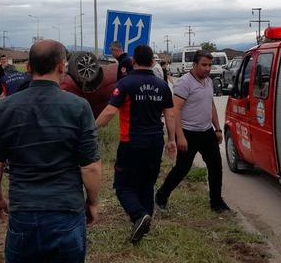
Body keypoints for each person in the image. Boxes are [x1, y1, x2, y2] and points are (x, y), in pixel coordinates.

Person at [0, 40, 102, 263]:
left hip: (23, 213)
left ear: (28, 67)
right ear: (61, 67)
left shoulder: (5, 107)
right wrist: (93, 202)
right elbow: (90, 167)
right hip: (66, 212)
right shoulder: (78, 107)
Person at [95, 45, 177, 244]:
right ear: (152, 62)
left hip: (131, 142)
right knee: (147, 182)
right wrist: (172, 140)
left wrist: (90, 129)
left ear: (133, 62)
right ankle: (144, 222)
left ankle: (139, 215)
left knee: (122, 185)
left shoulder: (125, 84)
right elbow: (170, 114)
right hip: (155, 141)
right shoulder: (162, 85)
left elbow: (109, 112)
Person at [156, 50, 230, 213]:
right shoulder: (184, 83)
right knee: (182, 169)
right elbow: (175, 110)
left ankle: (216, 203)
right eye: (204, 65)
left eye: (210, 65)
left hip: (206, 132)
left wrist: (217, 129)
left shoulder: (209, 82)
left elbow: (211, 106)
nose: (207, 68)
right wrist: (179, 137)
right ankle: (161, 196)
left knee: (216, 167)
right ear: (195, 65)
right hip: (188, 133)